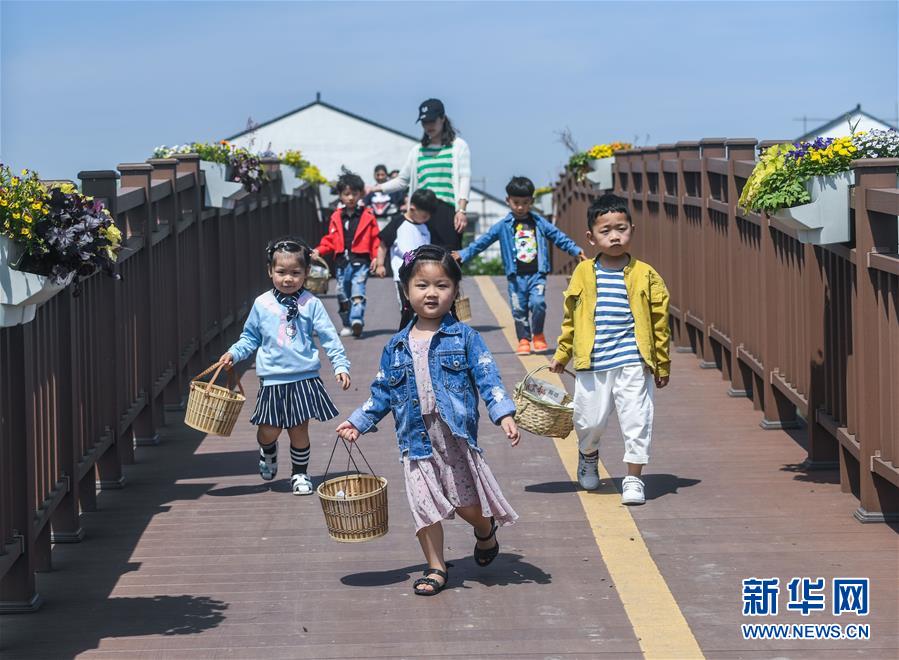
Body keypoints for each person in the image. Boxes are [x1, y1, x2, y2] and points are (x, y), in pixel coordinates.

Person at [336, 245, 520, 596]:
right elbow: (382, 392)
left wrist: (504, 414)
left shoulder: (466, 338)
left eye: (442, 285)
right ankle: (436, 567)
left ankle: (484, 529)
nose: (432, 293)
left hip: (453, 437)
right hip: (415, 440)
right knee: (424, 505)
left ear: (455, 290)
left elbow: (488, 377)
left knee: (465, 503)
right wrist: (358, 421)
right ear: (406, 291)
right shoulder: (396, 345)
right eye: (422, 285)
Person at [548, 193, 670, 505]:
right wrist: (562, 354)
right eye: (605, 231)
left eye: (621, 228)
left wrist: (661, 363)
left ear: (632, 230)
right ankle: (588, 454)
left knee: (637, 419)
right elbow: (571, 317)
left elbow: (659, 321)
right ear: (591, 237)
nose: (614, 236)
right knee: (589, 420)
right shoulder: (584, 273)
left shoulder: (645, 273)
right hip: (593, 361)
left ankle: (634, 478)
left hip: (633, 359)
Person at [219, 238, 351, 496]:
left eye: (295, 273)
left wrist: (340, 365)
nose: (288, 279)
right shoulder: (263, 303)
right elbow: (250, 337)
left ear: (306, 273)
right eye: (281, 272)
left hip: (304, 376)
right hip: (272, 378)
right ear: (270, 271)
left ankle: (300, 473)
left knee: (299, 428)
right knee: (268, 430)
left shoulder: (311, 303)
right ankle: (268, 451)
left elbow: (329, 337)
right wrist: (234, 353)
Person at [453, 176, 585, 356]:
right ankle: (524, 339)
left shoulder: (539, 223)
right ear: (508, 201)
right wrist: (464, 254)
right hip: (515, 277)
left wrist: (575, 250)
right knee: (518, 309)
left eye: (525, 202)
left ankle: (537, 334)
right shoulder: (503, 226)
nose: (520, 207)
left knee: (538, 303)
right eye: (516, 202)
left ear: (532, 201)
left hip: (537, 274)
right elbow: (482, 242)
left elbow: (557, 236)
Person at [372, 98, 470, 251]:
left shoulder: (458, 146)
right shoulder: (417, 150)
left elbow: (464, 179)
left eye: (432, 120)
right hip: (421, 211)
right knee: (421, 257)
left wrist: (462, 210)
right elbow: (402, 180)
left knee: (449, 260)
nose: (428, 126)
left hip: (447, 211)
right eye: (425, 122)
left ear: (442, 118)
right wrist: (375, 189)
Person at [311, 170, 380, 338]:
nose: (350, 198)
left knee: (358, 291)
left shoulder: (368, 216)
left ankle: (357, 320)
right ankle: (347, 324)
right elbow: (330, 240)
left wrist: (377, 257)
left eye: (354, 194)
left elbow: (375, 239)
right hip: (342, 263)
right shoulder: (336, 216)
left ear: (360, 194)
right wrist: (318, 250)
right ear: (340, 195)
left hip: (360, 261)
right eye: (346, 194)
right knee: (342, 295)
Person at [373, 188, 438, 330]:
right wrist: (380, 264)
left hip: (424, 275)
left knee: (422, 306)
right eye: (425, 215)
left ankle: (419, 332)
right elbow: (383, 244)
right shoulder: (398, 223)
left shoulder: (426, 226)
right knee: (407, 306)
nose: (427, 218)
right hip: (403, 275)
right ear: (413, 208)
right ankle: (406, 333)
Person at [364, 164, 404, 230]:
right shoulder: (370, 191)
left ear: (386, 175)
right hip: (374, 223)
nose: (380, 177)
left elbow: (402, 203)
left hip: (391, 222)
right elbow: (365, 204)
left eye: (382, 175)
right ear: (374, 175)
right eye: (378, 175)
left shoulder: (393, 190)